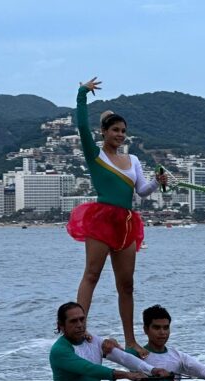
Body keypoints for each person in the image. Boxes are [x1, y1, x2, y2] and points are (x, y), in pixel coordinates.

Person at [68, 77, 167, 359]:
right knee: (92, 275)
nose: (120, 135)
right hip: (102, 219)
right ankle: (78, 331)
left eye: (123, 131)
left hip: (126, 223)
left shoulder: (133, 160)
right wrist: (82, 94)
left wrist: (158, 182)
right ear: (104, 132)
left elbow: (142, 191)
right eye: (115, 130)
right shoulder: (95, 154)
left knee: (127, 285)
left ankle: (131, 340)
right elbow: (82, 126)